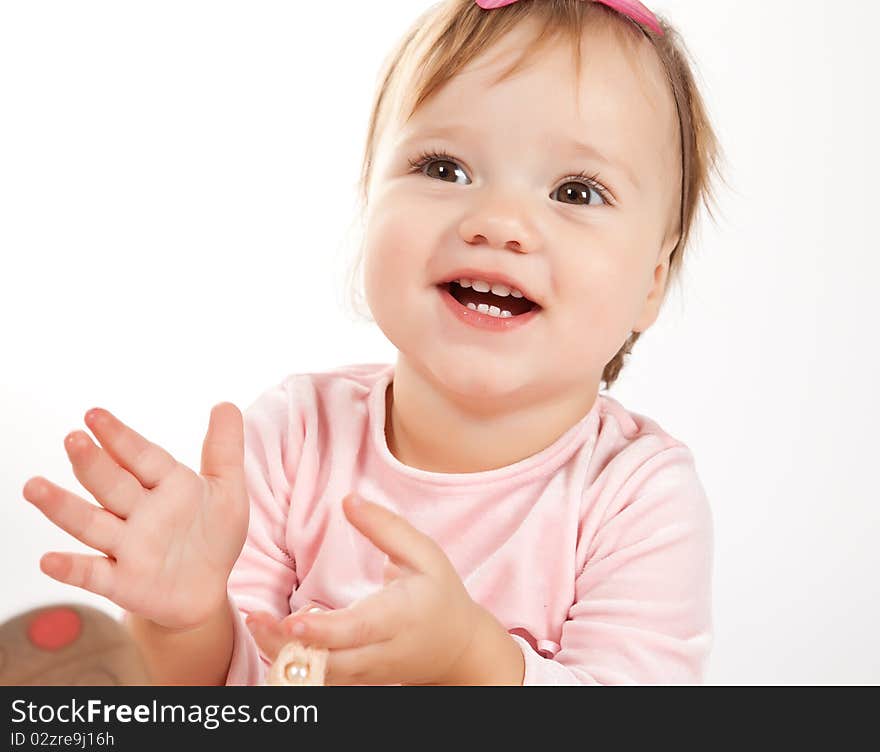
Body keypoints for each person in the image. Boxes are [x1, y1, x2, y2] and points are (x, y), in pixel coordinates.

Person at [21, 0, 724, 685]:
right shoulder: (295, 439)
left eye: (576, 191)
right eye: (444, 168)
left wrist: (474, 661)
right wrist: (181, 621)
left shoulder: (638, 498)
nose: (499, 222)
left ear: (652, 283)